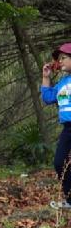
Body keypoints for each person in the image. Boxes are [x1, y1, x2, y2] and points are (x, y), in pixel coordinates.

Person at [41, 42, 71, 209]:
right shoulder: (61, 84)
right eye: (59, 59)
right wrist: (46, 77)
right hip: (68, 129)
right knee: (60, 162)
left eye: (64, 58)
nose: (60, 62)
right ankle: (70, 200)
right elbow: (48, 98)